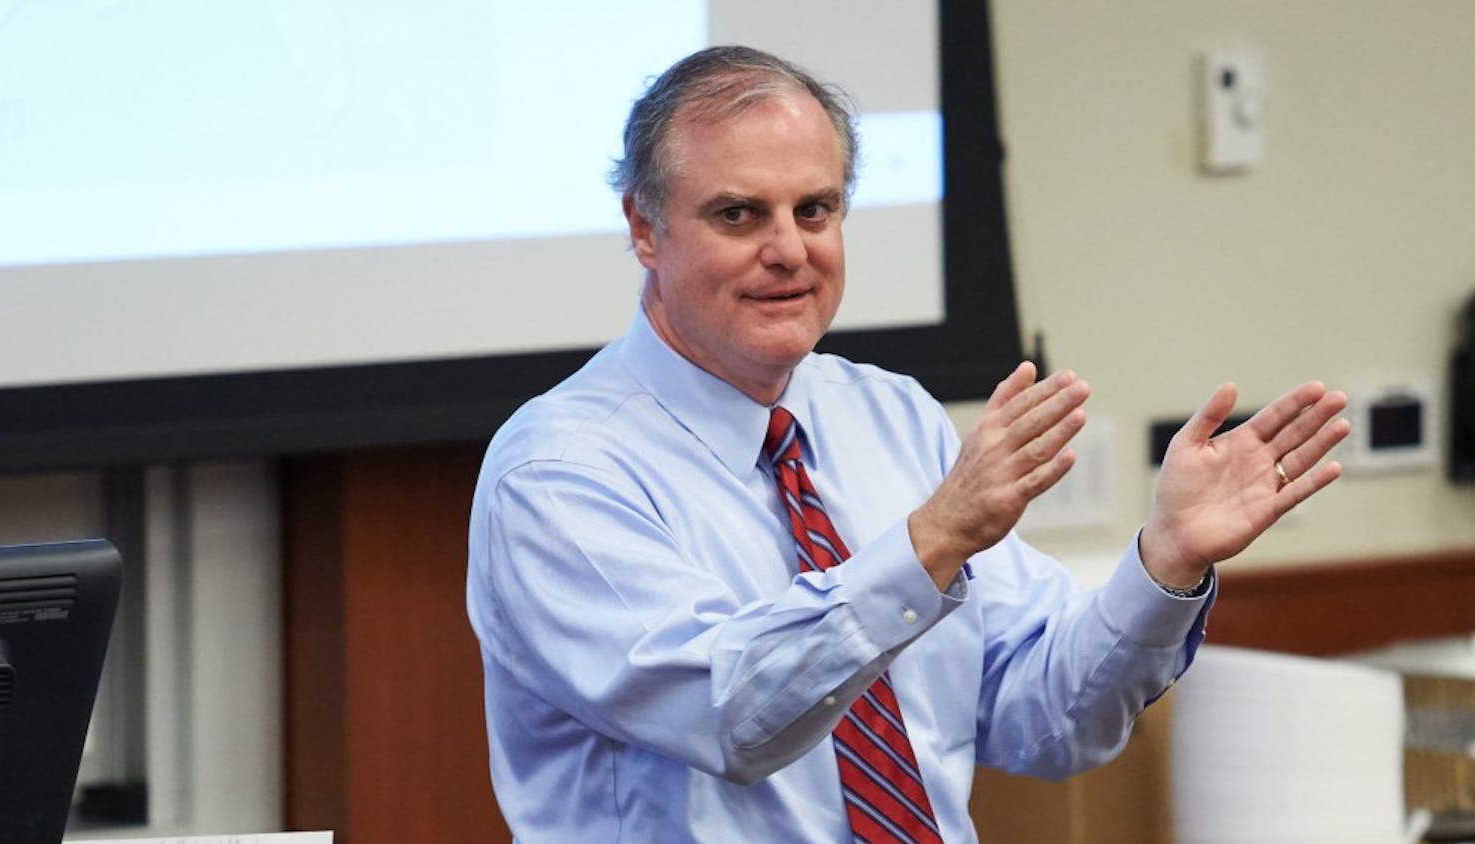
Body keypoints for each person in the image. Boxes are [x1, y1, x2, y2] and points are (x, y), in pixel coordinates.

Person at [465, 45, 1349, 844]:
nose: (789, 250)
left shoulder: (888, 415)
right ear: (644, 227)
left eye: (816, 210)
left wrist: (1165, 563)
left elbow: (1049, 718)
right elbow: (728, 712)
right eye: (739, 215)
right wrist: (931, 543)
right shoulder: (556, 472)